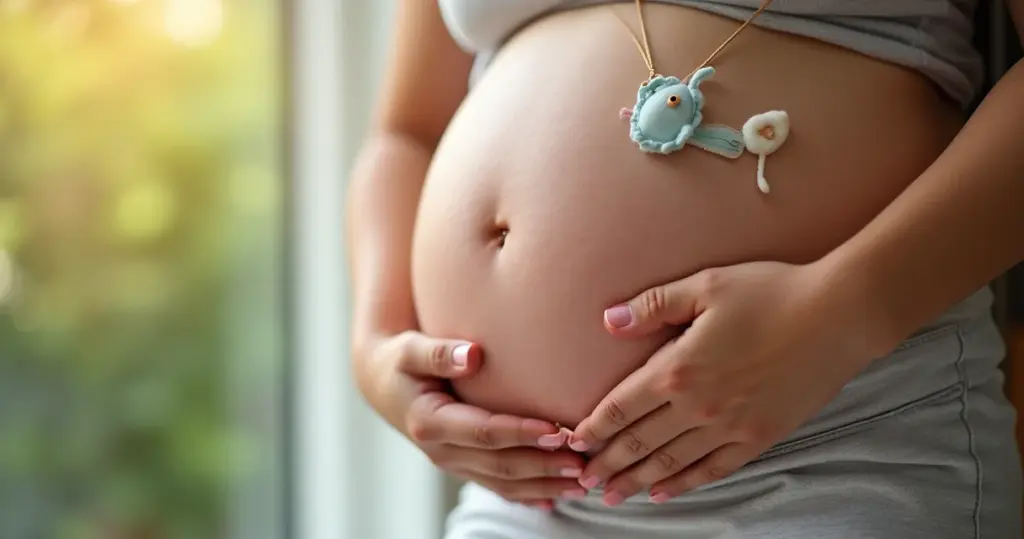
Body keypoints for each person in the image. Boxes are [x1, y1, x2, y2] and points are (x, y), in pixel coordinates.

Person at [346, 0, 1024, 537]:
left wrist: (843, 314)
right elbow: (406, 132)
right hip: (530, 499)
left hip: (835, 448)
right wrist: (376, 342)